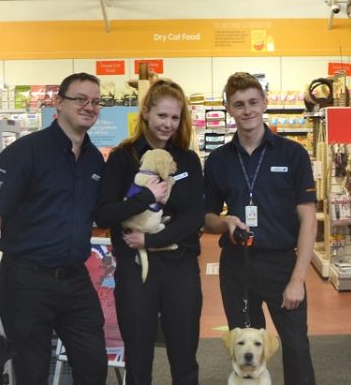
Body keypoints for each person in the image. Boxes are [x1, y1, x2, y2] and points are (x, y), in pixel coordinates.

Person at [0, 72, 108, 385]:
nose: (89, 106)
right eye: (80, 99)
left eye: (96, 102)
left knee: (93, 364)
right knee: (32, 371)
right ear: (59, 103)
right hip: (25, 281)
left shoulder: (94, 161)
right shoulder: (25, 152)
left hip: (74, 279)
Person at [203, 72, 317, 385]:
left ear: (265, 103)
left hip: (282, 265)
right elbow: (207, 218)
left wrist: (298, 279)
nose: (247, 110)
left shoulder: (292, 154)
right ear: (228, 108)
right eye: (239, 104)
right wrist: (225, 222)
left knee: (295, 346)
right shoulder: (218, 160)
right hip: (237, 268)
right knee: (246, 353)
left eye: (253, 102)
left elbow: (308, 219)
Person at [95, 79, 204, 385]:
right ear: (145, 113)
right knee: (139, 357)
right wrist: (144, 199)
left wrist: (153, 238)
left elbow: (194, 216)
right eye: (161, 116)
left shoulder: (187, 160)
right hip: (135, 270)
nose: (168, 124)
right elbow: (104, 213)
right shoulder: (122, 158)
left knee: (184, 356)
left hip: (180, 266)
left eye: (174, 117)